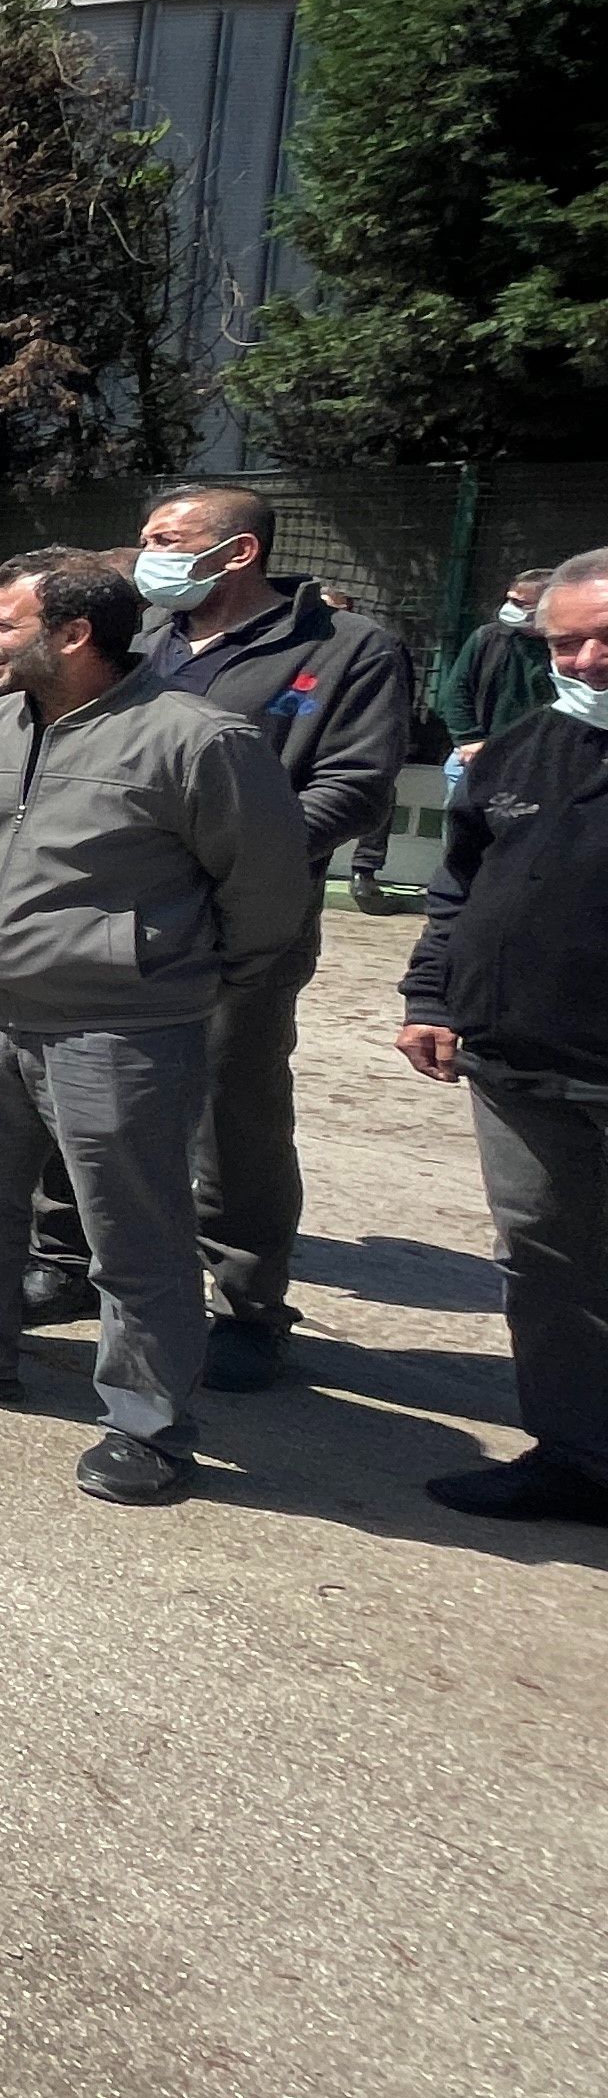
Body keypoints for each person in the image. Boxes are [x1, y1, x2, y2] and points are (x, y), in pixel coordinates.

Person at [0, 550, 306, 1501]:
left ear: (73, 634)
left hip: (119, 1032)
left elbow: (267, 901)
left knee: (134, 1230)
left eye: (3, 624)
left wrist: (161, 978)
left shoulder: (198, 740)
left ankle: (148, 1423)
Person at [37, 485, 404, 1390]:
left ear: (237, 552)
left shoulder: (346, 650)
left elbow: (351, 787)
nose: (148, 552)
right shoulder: (147, 647)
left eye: (167, 538)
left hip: (240, 927)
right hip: (110, 918)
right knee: (79, 1088)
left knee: (230, 1118)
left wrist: (227, 858)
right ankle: (66, 1256)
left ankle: (246, 1305)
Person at [394, 544, 608, 1524]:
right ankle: (575, 1455)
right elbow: (457, 885)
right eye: (568, 643)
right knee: (546, 1261)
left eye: (607, 638)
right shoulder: (523, 749)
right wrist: (433, 998)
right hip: (519, 1063)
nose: (587, 660)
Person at [437, 568, 556, 775]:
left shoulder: (565, 647)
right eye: (510, 600)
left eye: (521, 604)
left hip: (542, 761)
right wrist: (468, 740)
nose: (510, 608)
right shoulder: (488, 638)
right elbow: (456, 691)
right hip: (481, 754)